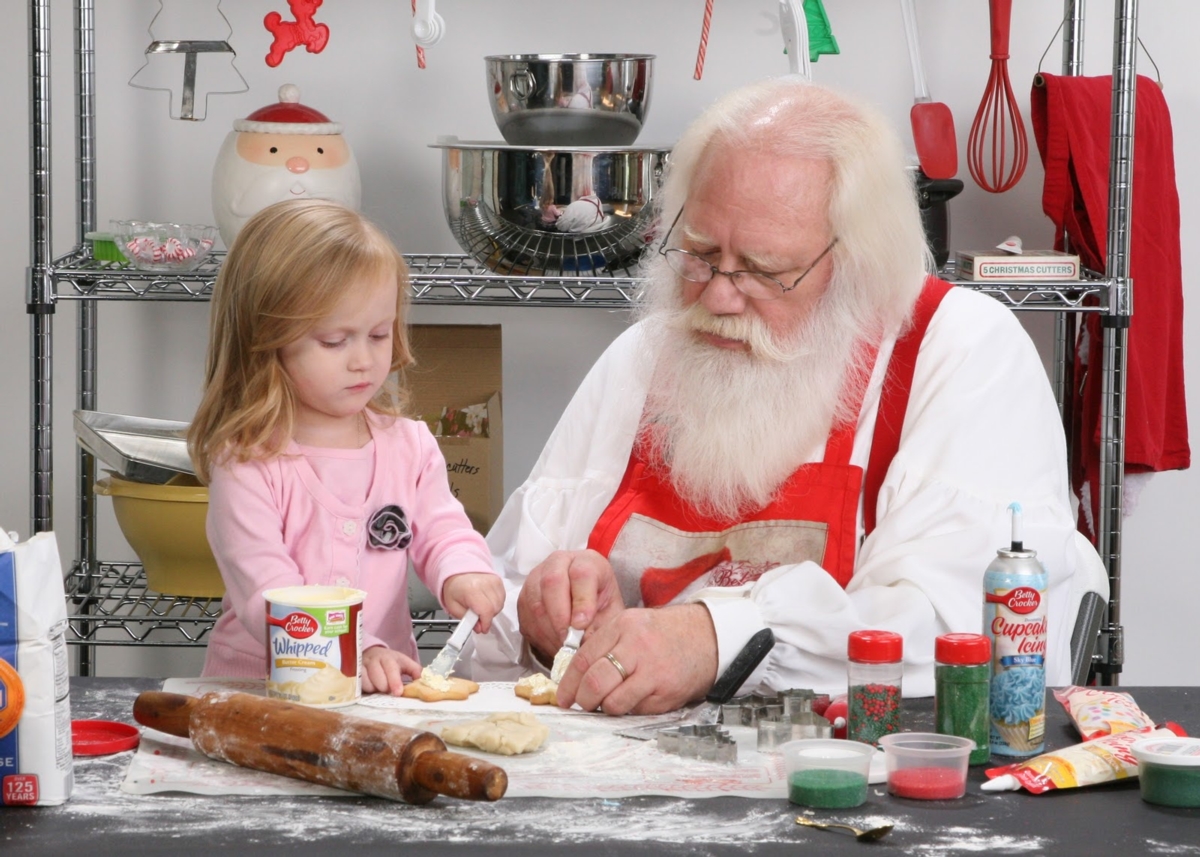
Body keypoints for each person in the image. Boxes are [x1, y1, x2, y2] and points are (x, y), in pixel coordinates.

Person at [466, 78, 1106, 715]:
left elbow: (954, 622)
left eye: (766, 271)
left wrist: (720, 636)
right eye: (700, 254)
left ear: (858, 265)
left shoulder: (960, 350)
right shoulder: (645, 360)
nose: (717, 297)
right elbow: (495, 610)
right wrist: (548, 620)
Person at [189, 198, 504, 693]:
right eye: (335, 341)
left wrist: (462, 572)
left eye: (379, 335)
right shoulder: (247, 462)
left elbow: (443, 529)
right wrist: (355, 645)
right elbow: (266, 587)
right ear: (266, 341)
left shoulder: (409, 446)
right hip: (257, 690)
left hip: (383, 686)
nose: (363, 361)